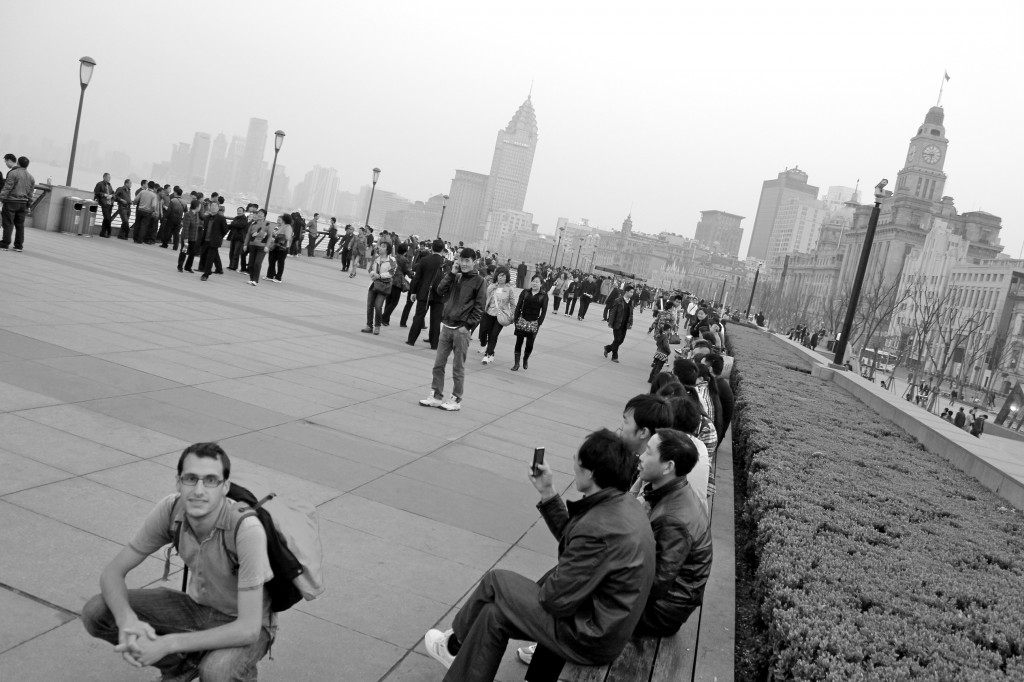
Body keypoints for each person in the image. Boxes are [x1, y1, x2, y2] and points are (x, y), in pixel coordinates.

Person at [423, 429, 655, 682]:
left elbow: (556, 599)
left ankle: (454, 644)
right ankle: (456, 654)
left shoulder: (600, 527)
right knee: (493, 614)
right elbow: (576, 547)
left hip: (590, 635)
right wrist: (548, 493)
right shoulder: (622, 505)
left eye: (576, 460)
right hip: (599, 621)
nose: (573, 463)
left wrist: (537, 588)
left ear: (590, 472)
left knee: (496, 581)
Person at [81, 443, 273, 681]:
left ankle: (229, 668)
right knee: (97, 611)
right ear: (178, 482)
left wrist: (168, 644)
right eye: (191, 478)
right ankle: (183, 666)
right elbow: (112, 573)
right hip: (196, 608)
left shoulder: (246, 530)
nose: (199, 490)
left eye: (211, 480)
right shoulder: (172, 510)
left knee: (217, 671)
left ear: (225, 487)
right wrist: (127, 621)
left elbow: (248, 629)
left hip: (244, 622)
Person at [632, 428, 712, 635]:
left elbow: (655, 584)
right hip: (663, 603)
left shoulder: (672, 519)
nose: (640, 456)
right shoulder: (674, 492)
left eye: (649, 452)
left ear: (668, 466)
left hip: (660, 613)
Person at [418, 248, 487, 411]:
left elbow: (480, 307)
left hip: (461, 329)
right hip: (447, 325)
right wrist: (451, 273)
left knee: (458, 367)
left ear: (474, 261)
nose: (463, 264)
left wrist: (467, 326)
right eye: (461, 260)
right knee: (438, 364)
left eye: (467, 260)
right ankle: (436, 395)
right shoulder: (455, 276)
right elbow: (439, 290)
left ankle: (456, 399)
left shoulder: (480, 281)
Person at [406, 238, 446, 350]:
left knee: (419, 316)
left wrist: (413, 291)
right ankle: (434, 344)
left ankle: (411, 340)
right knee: (436, 319)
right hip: (439, 294)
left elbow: (417, 278)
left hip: (424, 293)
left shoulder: (425, 260)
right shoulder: (445, 263)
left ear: (432, 248)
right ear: (443, 249)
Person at [477, 267, 517, 365]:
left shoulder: (509, 289)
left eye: (503, 276)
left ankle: (487, 355)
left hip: (500, 316)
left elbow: (512, 303)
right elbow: (485, 297)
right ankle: (490, 351)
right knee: (483, 332)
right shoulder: (492, 286)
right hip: (488, 313)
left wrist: (512, 315)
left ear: (507, 277)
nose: (501, 278)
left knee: (493, 335)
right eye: (499, 275)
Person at [511, 275, 549, 371]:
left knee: (530, 344)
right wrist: (516, 319)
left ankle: (525, 359)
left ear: (541, 284)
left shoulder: (543, 296)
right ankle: (516, 363)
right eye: (533, 281)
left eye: (537, 282)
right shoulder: (525, 292)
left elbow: (544, 311)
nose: (534, 283)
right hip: (522, 320)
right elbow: (518, 306)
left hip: (534, 323)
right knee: (518, 342)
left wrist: (538, 323)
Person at [0, 155, 35, 252]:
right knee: (20, 225)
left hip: (11, 202)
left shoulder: (13, 173)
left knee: (8, 223)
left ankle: (5, 244)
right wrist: (28, 204)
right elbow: (30, 193)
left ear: (18, 163)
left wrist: (1, 198)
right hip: (23, 203)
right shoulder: (31, 177)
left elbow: (7, 188)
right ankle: (19, 246)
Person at [362, 240, 396, 335]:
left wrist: (380, 276)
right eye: (380, 246)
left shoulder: (391, 260)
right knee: (369, 306)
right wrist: (373, 274)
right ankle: (369, 326)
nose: (380, 248)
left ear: (388, 249)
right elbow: (370, 270)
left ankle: (377, 326)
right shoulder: (375, 258)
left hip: (383, 286)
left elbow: (392, 273)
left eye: (383, 246)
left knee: (378, 306)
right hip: (373, 284)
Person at [382, 243, 413, 326]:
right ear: (405, 252)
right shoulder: (405, 259)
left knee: (388, 300)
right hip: (398, 282)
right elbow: (408, 271)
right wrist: (413, 275)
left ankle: (385, 320)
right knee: (394, 302)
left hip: (389, 279)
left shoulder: (393, 257)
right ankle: (383, 317)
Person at [604, 285, 635, 363]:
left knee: (620, 341)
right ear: (626, 292)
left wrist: (630, 323)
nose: (632, 294)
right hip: (617, 323)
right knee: (617, 339)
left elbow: (631, 314)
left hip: (625, 325)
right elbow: (613, 312)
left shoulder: (631, 302)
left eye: (633, 292)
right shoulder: (618, 300)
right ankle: (614, 357)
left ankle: (607, 348)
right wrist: (610, 322)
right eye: (631, 292)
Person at [200, 205, 228, 281]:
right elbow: (205, 228)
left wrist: (219, 237)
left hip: (214, 241)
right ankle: (211, 270)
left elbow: (225, 230)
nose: (213, 208)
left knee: (210, 258)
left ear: (218, 208)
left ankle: (205, 274)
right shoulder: (207, 217)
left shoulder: (221, 218)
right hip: (206, 240)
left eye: (215, 207)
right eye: (212, 206)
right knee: (204, 255)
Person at [245, 210, 272, 286]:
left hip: (262, 247)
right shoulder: (253, 223)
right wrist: (245, 245)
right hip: (252, 245)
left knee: (257, 263)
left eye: (261, 214)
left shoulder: (267, 224)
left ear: (264, 216)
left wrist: (267, 246)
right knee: (251, 264)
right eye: (258, 213)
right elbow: (248, 235)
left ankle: (255, 280)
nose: (259, 215)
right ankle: (251, 279)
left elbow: (270, 236)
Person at [266, 214, 293, 283]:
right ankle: (270, 275)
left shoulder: (288, 227)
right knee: (272, 260)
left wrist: (278, 235)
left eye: (282, 218)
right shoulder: (282, 226)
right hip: (276, 245)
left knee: (280, 263)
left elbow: (287, 237)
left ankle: (278, 278)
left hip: (283, 247)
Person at [176, 200, 201, 273]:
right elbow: (186, 228)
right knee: (184, 252)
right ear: (196, 207)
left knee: (192, 253)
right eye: (199, 206)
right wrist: (185, 239)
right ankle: (180, 266)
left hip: (193, 238)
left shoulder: (196, 214)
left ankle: (188, 267)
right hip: (187, 238)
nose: (200, 208)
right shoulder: (187, 214)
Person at [226, 207, 249, 272]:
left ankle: (234, 266)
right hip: (233, 237)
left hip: (239, 238)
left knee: (236, 253)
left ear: (243, 212)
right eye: (238, 211)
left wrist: (233, 223)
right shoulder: (236, 218)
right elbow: (231, 225)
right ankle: (231, 265)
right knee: (231, 252)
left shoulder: (244, 219)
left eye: (240, 211)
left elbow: (240, 225)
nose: (239, 212)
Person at [93, 172, 115, 238]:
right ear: (104, 177)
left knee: (106, 219)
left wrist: (111, 195)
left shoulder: (109, 185)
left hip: (110, 203)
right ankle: (109, 231)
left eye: (110, 177)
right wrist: (104, 194)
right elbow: (96, 192)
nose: (109, 179)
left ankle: (102, 232)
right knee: (108, 218)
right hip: (104, 203)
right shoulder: (100, 184)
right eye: (108, 177)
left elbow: (113, 193)